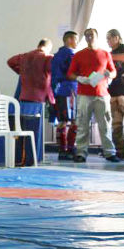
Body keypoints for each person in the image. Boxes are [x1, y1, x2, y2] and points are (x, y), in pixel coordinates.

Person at [67, 28, 119, 163]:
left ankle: (109, 152)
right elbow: (70, 74)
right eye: (87, 35)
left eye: (92, 35)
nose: (89, 37)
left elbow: (114, 72)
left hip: (102, 94)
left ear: (97, 36)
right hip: (84, 94)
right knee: (83, 124)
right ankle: (81, 153)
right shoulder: (78, 55)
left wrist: (109, 75)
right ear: (85, 38)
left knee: (105, 124)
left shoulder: (105, 54)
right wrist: (80, 78)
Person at [50, 31, 79, 160]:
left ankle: (62, 150)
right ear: (69, 39)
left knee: (62, 121)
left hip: (58, 91)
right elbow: (75, 71)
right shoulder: (70, 54)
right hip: (70, 90)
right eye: (76, 39)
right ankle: (71, 148)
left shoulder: (56, 56)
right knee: (73, 120)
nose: (77, 43)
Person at [106, 29, 124, 159]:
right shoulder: (108, 54)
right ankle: (120, 151)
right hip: (112, 94)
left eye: (109, 38)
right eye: (107, 39)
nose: (108, 41)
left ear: (117, 37)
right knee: (116, 125)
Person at [7, 38, 54, 104]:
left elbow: (10, 61)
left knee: (24, 114)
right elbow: (54, 73)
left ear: (38, 46)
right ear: (49, 48)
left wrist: (21, 72)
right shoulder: (48, 57)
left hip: (24, 96)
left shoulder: (24, 56)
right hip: (41, 98)